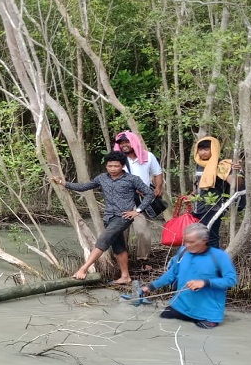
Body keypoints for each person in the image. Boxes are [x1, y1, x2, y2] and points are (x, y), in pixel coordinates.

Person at [54, 151, 155, 284]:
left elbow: (150, 194)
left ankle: (83, 269)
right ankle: (125, 277)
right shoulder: (102, 178)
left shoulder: (132, 179)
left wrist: (137, 210)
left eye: (116, 166)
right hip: (109, 217)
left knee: (103, 240)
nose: (113, 169)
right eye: (109, 166)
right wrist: (62, 182)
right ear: (106, 166)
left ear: (123, 166)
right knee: (118, 247)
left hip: (123, 217)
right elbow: (84, 186)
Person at [141, 223, 237, 329]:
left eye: (191, 242)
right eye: (185, 241)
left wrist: (205, 282)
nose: (187, 245)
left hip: (207, 314)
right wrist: (151, 287)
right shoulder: (183, 251)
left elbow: (231, 280)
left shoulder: (219, 256)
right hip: (180, 306)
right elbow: (171, 274)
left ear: (204, 240)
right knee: (159, 326)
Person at [113, 131, 164, 269]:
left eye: (126, 142)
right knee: (119, 232)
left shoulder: (148, 156)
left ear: (134, 141)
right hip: (122, 200)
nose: (124, 145)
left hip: (141, 201)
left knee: (142, 231)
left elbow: (157, 173)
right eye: (121, 143)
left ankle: (143, 260)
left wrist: (158, 188)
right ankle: (121, 261)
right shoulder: (118, 159)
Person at [191, 137, 243, 248]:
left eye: (206, 149)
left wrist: (237, 171)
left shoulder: (221, 165)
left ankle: (215, 262)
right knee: (199, 237)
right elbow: (198, 185)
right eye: (200, 149)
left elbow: (236, 184)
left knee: (211, 237)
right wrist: (192, 195)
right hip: (198, 207)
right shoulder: (199, 165)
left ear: (214, 149)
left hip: (213, 207)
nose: (203, 152)